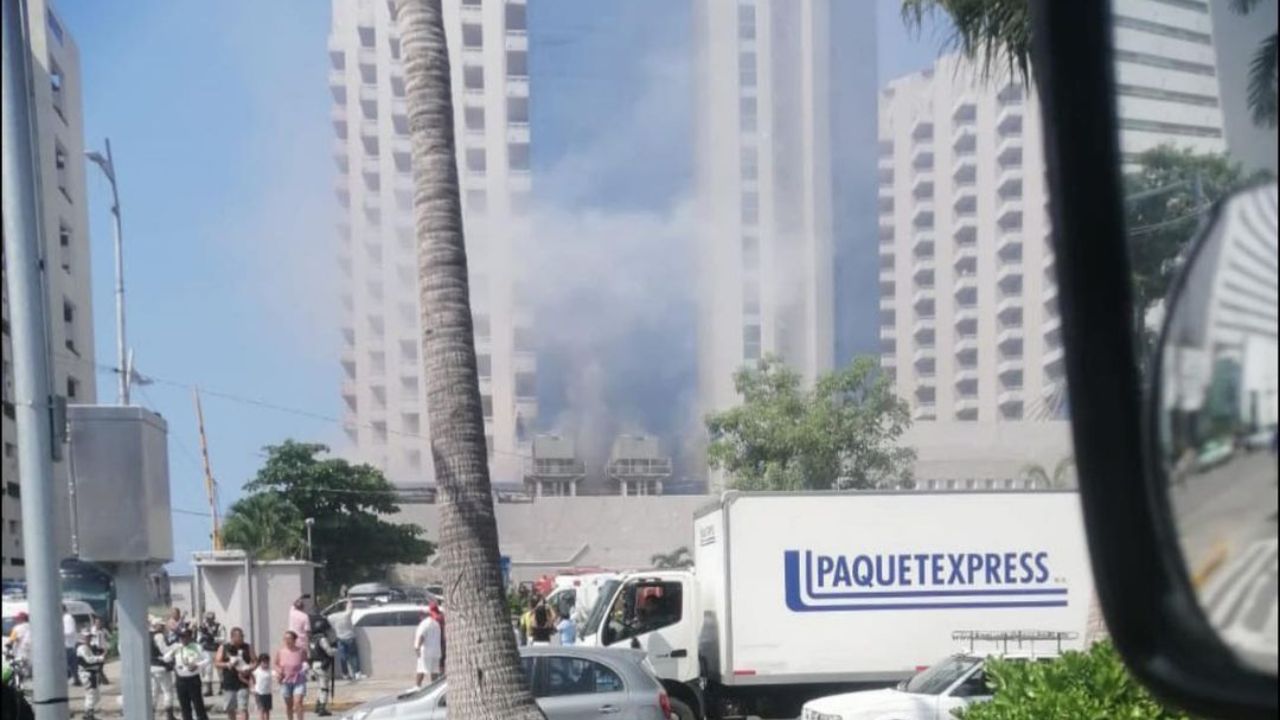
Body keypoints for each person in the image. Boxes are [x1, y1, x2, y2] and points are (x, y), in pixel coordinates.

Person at [214, 627, 254, 720]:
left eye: (242, 636)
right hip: (229, 682)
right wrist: (227, 664)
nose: (242, 638)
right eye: (240, 636)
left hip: (243, 681)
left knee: (243, 708)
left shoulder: (247, 647)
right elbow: (216, 663)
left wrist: (249, 668)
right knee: (230, 708)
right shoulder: (224, 647)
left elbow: (255, 661)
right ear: (233, 637)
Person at [173, 627, 211, 720]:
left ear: (190, 637)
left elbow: (208, 659)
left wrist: (197, 665)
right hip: (181, 679)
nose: (183, 639)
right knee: (185, 707)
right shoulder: (176, 647)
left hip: (193, 679)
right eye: (181, 637)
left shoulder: (197, 647)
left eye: (185, 636)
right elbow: (167, 658)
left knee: (198, 705)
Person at [274, 631, 308, 720]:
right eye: (285, 639)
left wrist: (305, 668)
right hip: (285, 680)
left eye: (289, 638)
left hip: (299, 680)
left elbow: (306, 662)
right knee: (289, 705)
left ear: (294, 640)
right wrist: (279, 672)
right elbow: (276, 664)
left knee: (298, 702)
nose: (287, 641)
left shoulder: (301, 651)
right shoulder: (281, 652)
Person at [307, 617, 337, 717]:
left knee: (320, 686)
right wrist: (335, 650)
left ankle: (318, 705)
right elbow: (329, 651)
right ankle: (322, 708)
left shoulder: (313, 639)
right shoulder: (322, 639)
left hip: (315, 664)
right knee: (324, 687)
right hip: (322, 664)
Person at [326, 600, 362, 681]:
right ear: (343, 608)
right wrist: (349, 599)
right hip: (350, 637)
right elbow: (350, 607)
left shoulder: (331, 617)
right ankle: (357, 673)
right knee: (354, 656)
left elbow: (330, 624)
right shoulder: (346, 614)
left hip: (340, 638)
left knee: (343, 657)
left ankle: (345, 674)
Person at [75, 629, 107, 720]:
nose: (89, 638)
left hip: (92, 674)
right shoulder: (82, 648)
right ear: (83, 637)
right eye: (87, 637)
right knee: (91, 694)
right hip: (86, 674)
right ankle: (89, 715)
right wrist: (100, 658)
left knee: (96, 696)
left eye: (89, 637)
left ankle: (88, 714)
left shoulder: (88, 647)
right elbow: (88, 660)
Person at [152, 617, 179, 720]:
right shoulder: (159, 636)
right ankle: (169, 715)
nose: (163, 627)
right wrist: (175, 646)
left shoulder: (148, 635)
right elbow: (165, 651)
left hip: (152, 667)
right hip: (161, 667)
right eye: (162, 625)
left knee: (154, 692)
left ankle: (151, 715)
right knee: (167, 691)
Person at [197, 612, 226, 697]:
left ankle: (222, 687)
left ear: (213, 618)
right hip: (206, 650)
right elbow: (198, 639)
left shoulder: (220, 626)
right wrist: (203, 639)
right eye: (207, 619)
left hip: (217, 650)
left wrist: (213, 638)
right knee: (208, 670)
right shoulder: (202, 627)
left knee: (220, 669)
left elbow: (223, 638)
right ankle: (208, 689)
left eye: (210, 619)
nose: (209, 621)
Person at [412, 609, 442, 686]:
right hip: (436, 652)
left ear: (422, 616)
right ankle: (434, 687)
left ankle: (417, 686)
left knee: (421, 670)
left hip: (426, 652)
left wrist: (418, 647)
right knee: (434, 672)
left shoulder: (424, 624)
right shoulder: (436, 623)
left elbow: (422, 636)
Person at [62, 604, 80, 686]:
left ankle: (74, 680)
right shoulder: (65, 618)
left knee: (68, 665)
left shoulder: (67, 618)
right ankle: (75, 680)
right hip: (67, 645)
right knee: (71, 665)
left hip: (68, 645)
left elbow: (69, 631)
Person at [89, 615, 111, 685]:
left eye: (99, 623)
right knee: (97, 666)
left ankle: (103, 680)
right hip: (95, 649)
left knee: (100, 666)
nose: (98, 624)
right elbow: (91, 639)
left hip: (102, 649)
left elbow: (109, 638)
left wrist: (106, 649)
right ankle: (102, 680)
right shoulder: (92, 630)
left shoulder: (104, 631)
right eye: (96, 622)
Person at [251, 654, 272, 720]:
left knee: (267, 710)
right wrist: (252, 688)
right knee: (261, 710)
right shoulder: (257, 671)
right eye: (264, 662)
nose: (266, 663)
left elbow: (277, 675)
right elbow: (251, 679)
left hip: (268, 693)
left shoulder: (270, 671)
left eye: (267, 662)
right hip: (259, 693)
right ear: (260, 662)